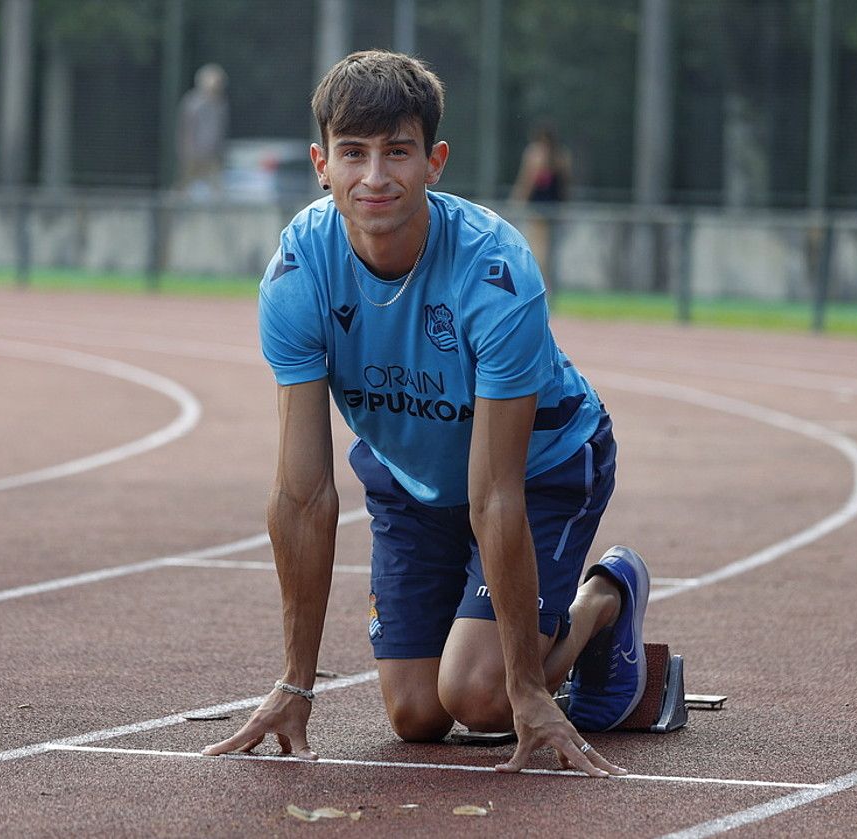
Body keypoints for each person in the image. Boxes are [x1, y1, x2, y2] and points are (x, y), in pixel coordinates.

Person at [203, 50, 651, 777]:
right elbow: (303, 493)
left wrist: (528, 690)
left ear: (434, 161)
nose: (375, 177)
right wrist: (295, 683)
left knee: (481, 696)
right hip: (412, 475)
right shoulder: (297, 274)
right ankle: (506, 644)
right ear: (322, 164)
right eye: (353, 153)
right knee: (415, 714)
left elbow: (496, 493)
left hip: (542, 464)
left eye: (397, 153)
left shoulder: (496, 274)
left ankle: (604, 598)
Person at [509, 123, 572, 293]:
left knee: (542, 253)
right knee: (544, 253)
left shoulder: (542, 155)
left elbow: (528, 182)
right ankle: (544, 288)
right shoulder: (560, 156)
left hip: (545, 210)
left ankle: (544, 289)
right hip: (545, 210)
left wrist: (517, 201)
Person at [176, 63, 229, 199]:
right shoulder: (192, 103)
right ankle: (171, 216)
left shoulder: (221, 105)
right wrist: (187, 152)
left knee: (217, 190)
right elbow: (187, 129)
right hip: (194, 154)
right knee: (184, 187)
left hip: (212, 154)